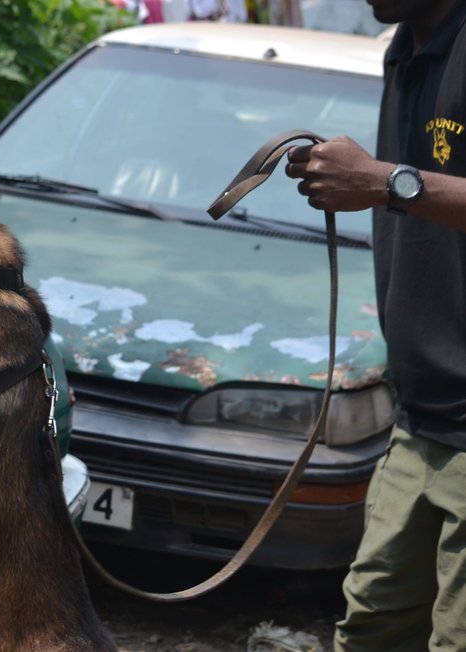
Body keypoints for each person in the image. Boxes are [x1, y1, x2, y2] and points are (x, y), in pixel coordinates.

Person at [285, 0, 466, 649]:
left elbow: (399, 185)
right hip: (422, 414)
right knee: (372, 626)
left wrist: (386, 181)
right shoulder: (406, 44)